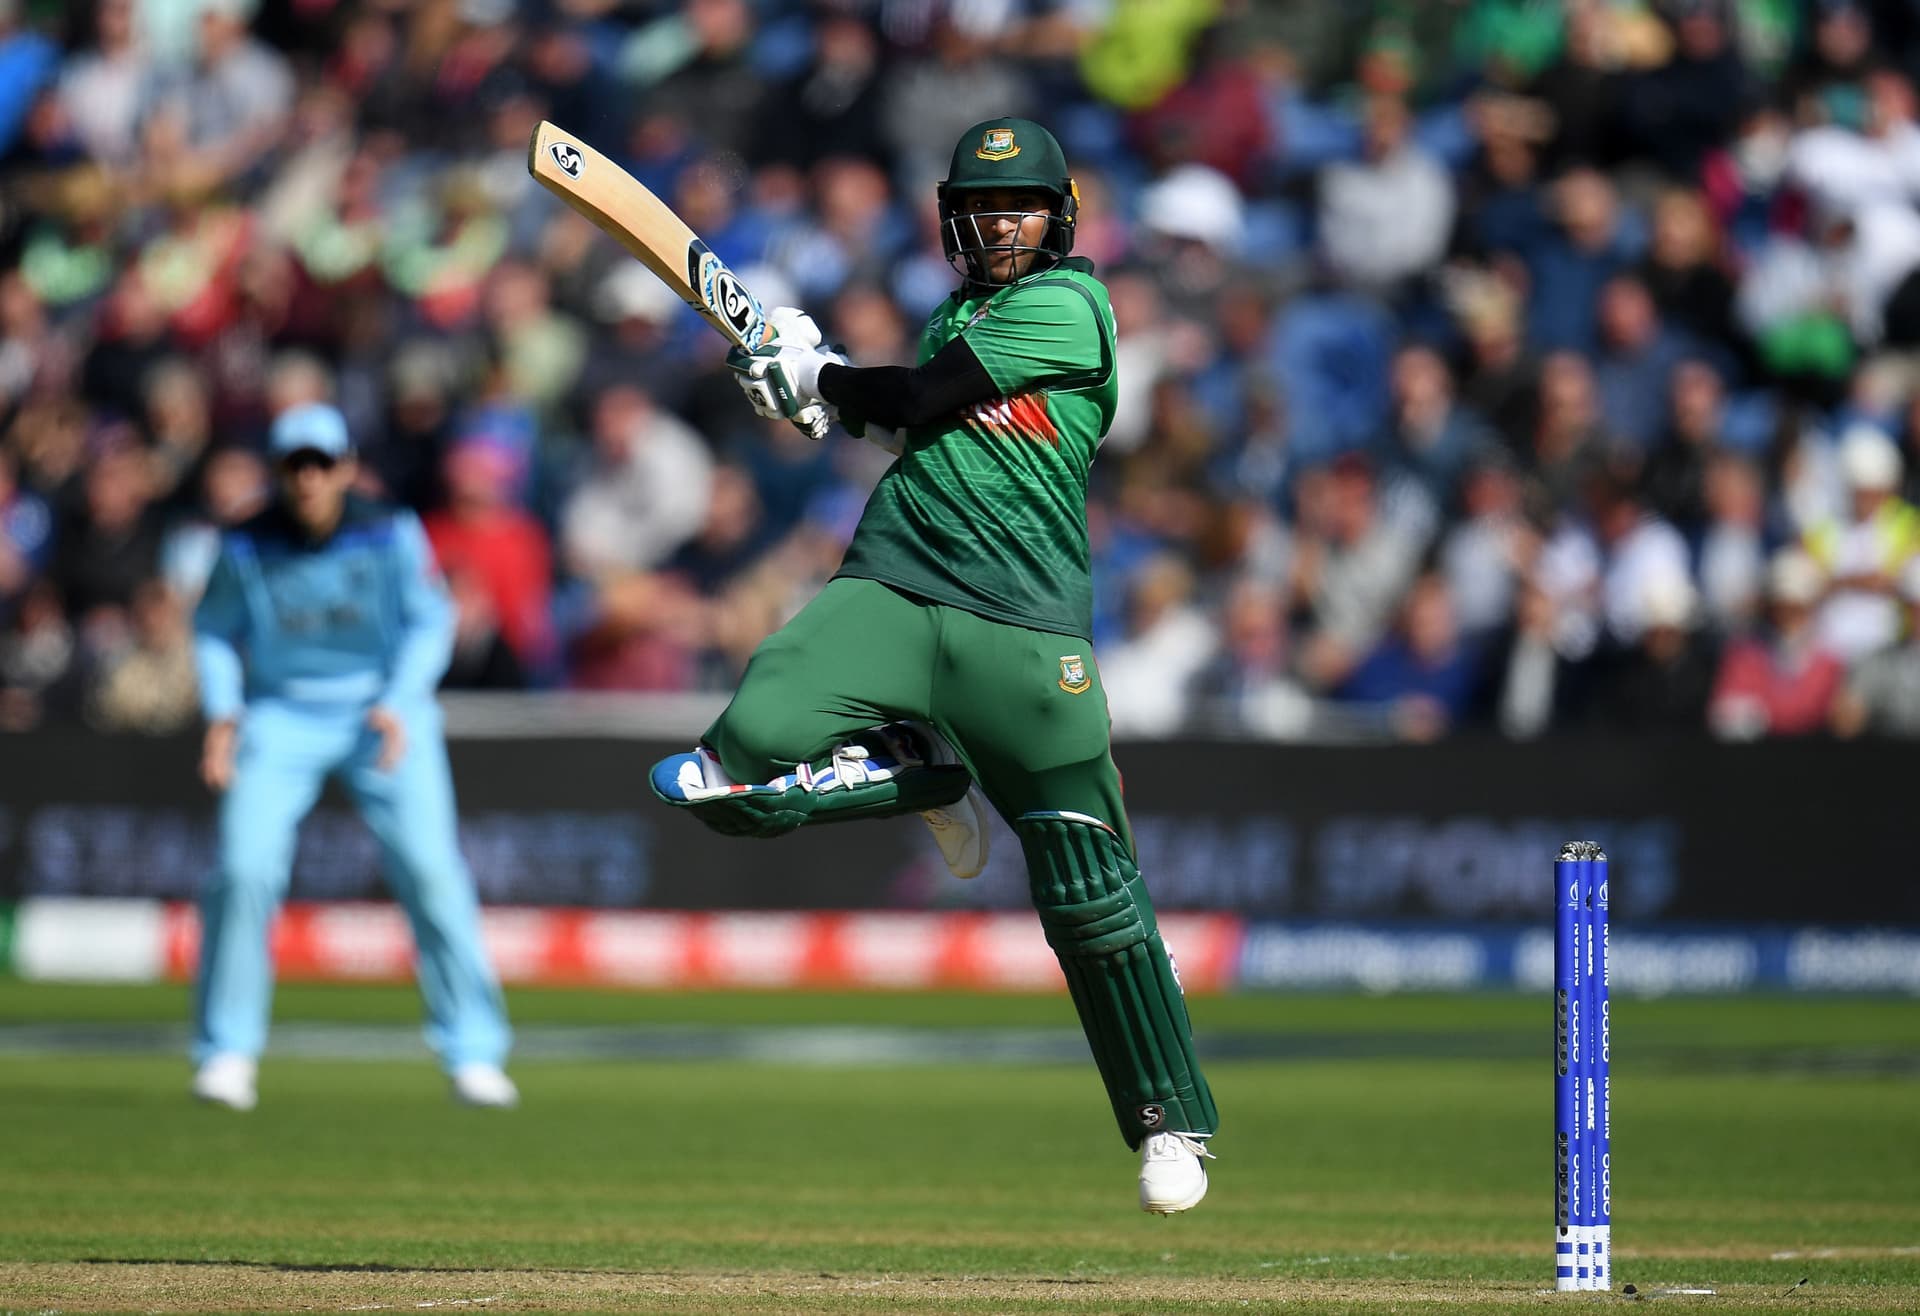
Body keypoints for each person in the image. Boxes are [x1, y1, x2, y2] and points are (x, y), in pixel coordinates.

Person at [649, 119, 1218, 1213]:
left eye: (1025, 206)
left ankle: (1169, 1118)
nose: (1004, 223)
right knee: (734, 759)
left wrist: (830, 376)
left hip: (1024, 622)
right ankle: (923, 765)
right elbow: (917, 419)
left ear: (1061, 217)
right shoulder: (954, 314)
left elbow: (915, 398)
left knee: (1089, 897)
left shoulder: (1074, 305)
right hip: (896, 582)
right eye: (987, 206)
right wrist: (807, 393)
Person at [189, 403, 514, 1112]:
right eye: (294, 465)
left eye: (322, 463)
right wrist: (223, 713)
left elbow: (431, 619)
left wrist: (400, 699)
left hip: (381, 716)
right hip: (279, 713)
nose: (308, 479)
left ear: (346, 468)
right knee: (242, 870)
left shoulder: (389, 531)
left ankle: (474, 1050)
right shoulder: (245, 544)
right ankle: (226, 1051)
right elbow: (213, 629)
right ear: (277, 472)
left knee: (433, 873)